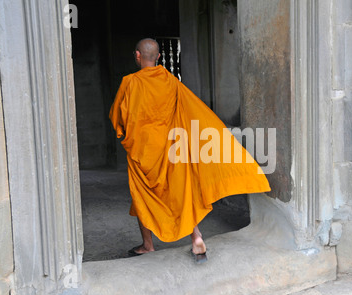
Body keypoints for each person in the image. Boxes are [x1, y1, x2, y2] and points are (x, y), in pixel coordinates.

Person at [109, 38, 271, 264]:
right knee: (181, 194)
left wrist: (126, 134)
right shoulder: (170, 81)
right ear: (158, 57)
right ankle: (196, 238)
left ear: (137, 55)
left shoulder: (129, 83)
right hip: (171, 148)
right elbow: (191, 110)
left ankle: (148, 245)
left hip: (142, 152)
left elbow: (118, 117)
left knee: (142, 197)